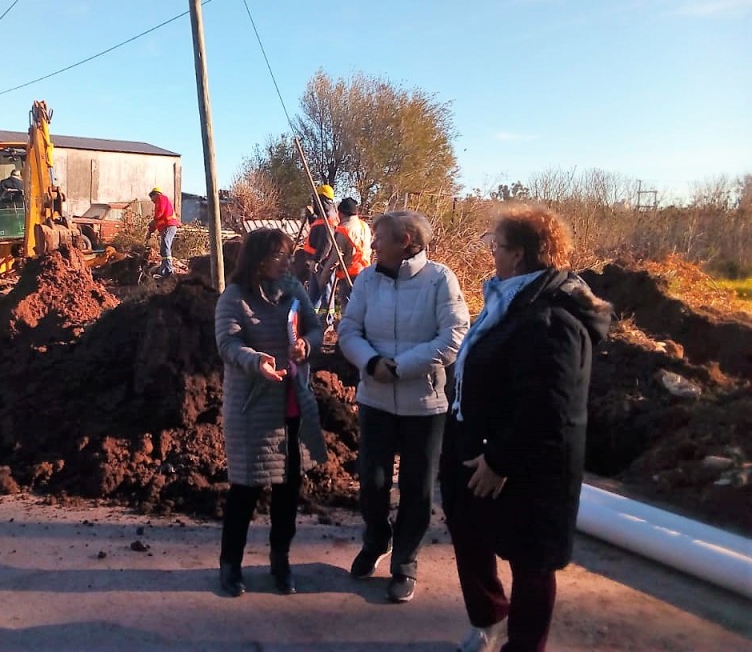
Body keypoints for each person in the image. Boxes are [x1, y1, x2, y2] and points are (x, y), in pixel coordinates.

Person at [440, 204, 611, 652]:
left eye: (497, 246)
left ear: (519, 255)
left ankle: (524, 645)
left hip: (528, 466)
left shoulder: (552, 317)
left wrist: (500, 459)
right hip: (475, 445)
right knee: (470, 535)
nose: (492, 254)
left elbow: (551, 406)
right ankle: (491, 619)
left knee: (531, 563)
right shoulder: (511, 301)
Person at [337, 210, 469, 603]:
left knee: (417, 487)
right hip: (375, 399)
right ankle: (377, 538)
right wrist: (372, 363)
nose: (372, 244)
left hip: (424, 404)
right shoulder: (367, 280)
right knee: (372, 482)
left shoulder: (439, 280)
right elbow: (348, 329)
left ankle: (405, 563)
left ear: (407, 240)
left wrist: (402, 367)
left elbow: (454, 336)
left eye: (380, 238)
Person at [214, 228, 328, 597]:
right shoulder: (234, 297)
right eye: (280, 255)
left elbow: (314, 327)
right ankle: (230, 566)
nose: (287, 261)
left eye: (288, 254)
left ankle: (281, 562)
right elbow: (228, 343)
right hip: (253, 408)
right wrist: (255, 360)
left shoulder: (293, 287)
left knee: (287, 491)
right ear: (259, 258)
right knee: (244, 491)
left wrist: (306, 347)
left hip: (293, 403)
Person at [321, 196, 373, 312]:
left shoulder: (344, 230)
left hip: (349, 274)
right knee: (363, 308)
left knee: (349, 310)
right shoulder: (364, 226)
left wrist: (323, 279)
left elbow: (335, 258)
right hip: (366, 272)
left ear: (341, 213)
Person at [297, 184, 340, 313]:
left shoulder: (329, 219)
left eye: (315, 200)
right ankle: (312, 317)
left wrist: (316, 261)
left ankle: (328, 319)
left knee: (326, 293)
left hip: (323, 264)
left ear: (322, 201)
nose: (313, 203)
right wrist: (311, 218)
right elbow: (317, 234)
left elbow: (326, 244)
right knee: (313, 294)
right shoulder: (324, 216)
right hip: (316, 263)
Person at [147, 186, 181, 277]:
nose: (152, 200)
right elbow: (157, 221)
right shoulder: (160, 200)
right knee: (163, 248)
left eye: (151, 197)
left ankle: (168, 270)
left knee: (166, 246)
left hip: (169, 226)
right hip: (166, 227)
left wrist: (153, 223)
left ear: (155, 194)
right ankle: (164, 268)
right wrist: (151, 230)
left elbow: (159, 214)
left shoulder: (161, 198)